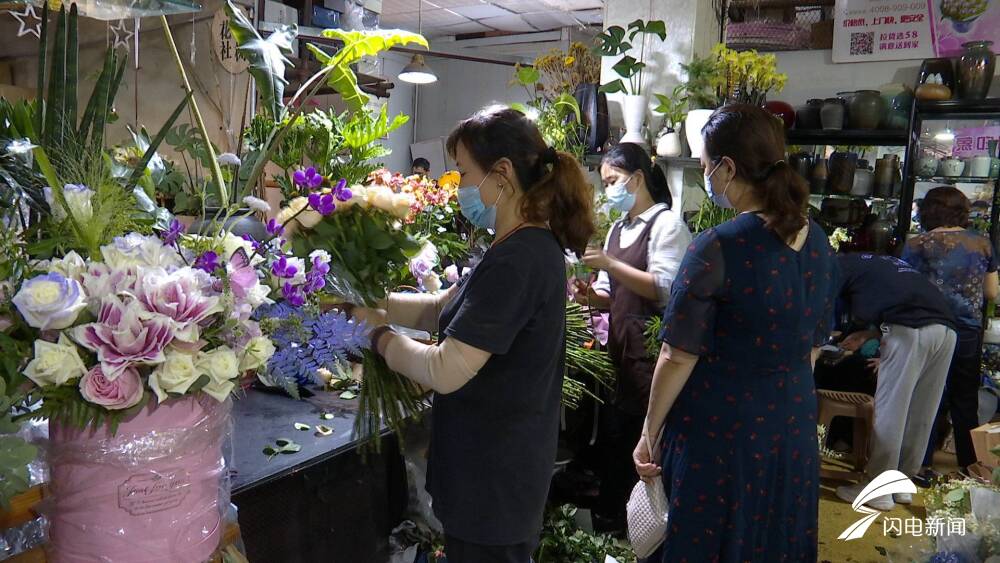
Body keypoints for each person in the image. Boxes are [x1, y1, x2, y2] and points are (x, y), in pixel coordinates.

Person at [356, 106, 595, 563]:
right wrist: (369, 304)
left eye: (464, 173)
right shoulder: (510, 246)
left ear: (501, 174)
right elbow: (441, 308)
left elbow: (445, 369)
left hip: (495, 476)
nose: (459, 186)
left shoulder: (519, 260)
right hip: (488, 468)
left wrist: (377, 336)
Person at [633, 104, 838, 561]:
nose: (705, 173)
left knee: (715, 541)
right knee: (774, 537)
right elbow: (813, 347)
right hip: (792, 423)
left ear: (726, 167)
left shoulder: (720, 246)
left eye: (705, 164)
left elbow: (677, 356)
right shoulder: (819, 240)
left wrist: (649, 433)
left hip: (722, 432)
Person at [575, 142, 691, 531]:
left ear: (638, 179)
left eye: (614, 181)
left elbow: (664, 287)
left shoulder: (666, 225)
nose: (609, 189)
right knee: (616, 442)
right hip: (619, 356)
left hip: (652, 358)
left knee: (646, 444)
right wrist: (590, 295)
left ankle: (650, 529)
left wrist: (609, 263)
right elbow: (611, 295)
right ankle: (617, 526)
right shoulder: (618, 230)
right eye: (605, 182)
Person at [835, 252, 958, 510]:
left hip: (911, 329)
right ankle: (901, 482)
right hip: (946, 330)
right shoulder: (877, 263)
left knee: (892, 408)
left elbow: (828, 311)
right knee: (921, 411)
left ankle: (877, 489)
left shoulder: (836, 266)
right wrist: (870, 333)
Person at [902, 186, 999, 477]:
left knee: (927, 397)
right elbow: (992, 292)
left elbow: (904, 289)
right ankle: (971, 467)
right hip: (967, 331)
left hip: (928, 327)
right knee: (964, 399)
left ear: (928, 210)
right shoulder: (981, 244)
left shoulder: (917, 244)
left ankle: (921, 464)